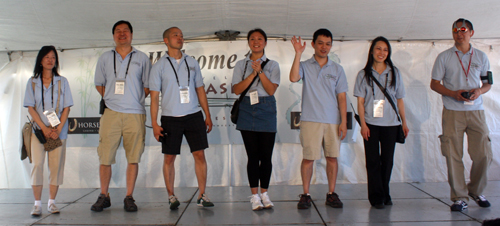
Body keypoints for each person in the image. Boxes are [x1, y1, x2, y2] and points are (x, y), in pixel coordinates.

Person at [430, 18, 492, 212]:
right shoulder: (444, 57)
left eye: (463, 30)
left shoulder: (481, 56)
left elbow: (487, 83)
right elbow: (434, 83)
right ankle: (459, 197)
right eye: (456, 30)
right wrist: (452, 93)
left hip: (476, 111)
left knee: (483, 154)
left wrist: (479, 91)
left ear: (471, 33)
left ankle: (476, 190)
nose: (459, 33)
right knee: (453, 155)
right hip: (452, 112)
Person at [150, 27, 214, 210]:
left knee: (199, 154)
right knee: (169, 157)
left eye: (181, 35)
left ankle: (202, 194)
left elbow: (200, 89)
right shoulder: (159, 66)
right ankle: (171, 195)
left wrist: (207, 115)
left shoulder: (192, 62)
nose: (179, 38)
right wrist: (154, 123)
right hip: (170, 118)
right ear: (166, 40)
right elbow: (154, 97)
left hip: (193, 115)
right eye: (175, 35)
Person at [91, 20, 152, 212]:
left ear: (132, 35)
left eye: (125, 31)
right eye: (118, 31)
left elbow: (148, 86)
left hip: (135, 113)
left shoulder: (142, 58)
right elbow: (99, 84)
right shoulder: (105, 57)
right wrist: (113, 99)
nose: (122, 34)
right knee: (105, 156)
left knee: (133, 157)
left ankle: (129, 196)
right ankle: (104, 195)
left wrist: (133, 99)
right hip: (111, 113)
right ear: (113, 36)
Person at [290, 28, 348, 209]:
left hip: (332, 121)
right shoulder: (306, 65)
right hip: (310, 119)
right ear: (313, 44)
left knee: (332, 158)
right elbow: (293, 77)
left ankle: (331, 193)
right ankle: (305, 194)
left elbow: (342, 97)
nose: (324, 47)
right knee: (309, 158)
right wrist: (298, 53)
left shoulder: (337, 69)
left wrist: (344, 122)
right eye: (320, 43)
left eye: (328, 44)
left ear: (331, 46)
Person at [353, 36, 409, 209]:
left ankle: (385, 193)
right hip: (370, 123)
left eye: (385, 50)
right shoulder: (363, 74)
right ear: (371, 51)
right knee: (372, 161)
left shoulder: (395, 72)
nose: (382, 53)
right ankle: (376, 197)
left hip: (391, 124)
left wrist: (404, 123)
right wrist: (362, 124)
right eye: (378, 49)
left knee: (388, 160)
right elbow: (360, 102)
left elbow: (400, 100)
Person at [231, 28, 280, 211]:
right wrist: (252, 73)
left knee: (266, 156)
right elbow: (236, 89)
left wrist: (260, 71)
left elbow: (271, 90)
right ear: (249, 43)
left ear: (265, 43)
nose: (256, 41)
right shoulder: (241, 65)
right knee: (252, 156)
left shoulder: (273, 65)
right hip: (246, 107)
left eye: (260, 39)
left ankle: (265, 194)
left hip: (266, 108)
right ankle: (254, 196)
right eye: (252, 39)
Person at [24, 45, 73, 216]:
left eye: (53, 57)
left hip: (57, 131)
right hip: (39, 132)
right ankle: (37, 204)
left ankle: (52, 202)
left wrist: (57, 129)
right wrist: (44, 128)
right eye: (47, 57)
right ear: (40, 60)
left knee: (55, 166)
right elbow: (30, 108)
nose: (50, 60)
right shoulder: (32, 82)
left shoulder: (62, 81)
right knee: (37, 165)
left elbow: (67, 108)